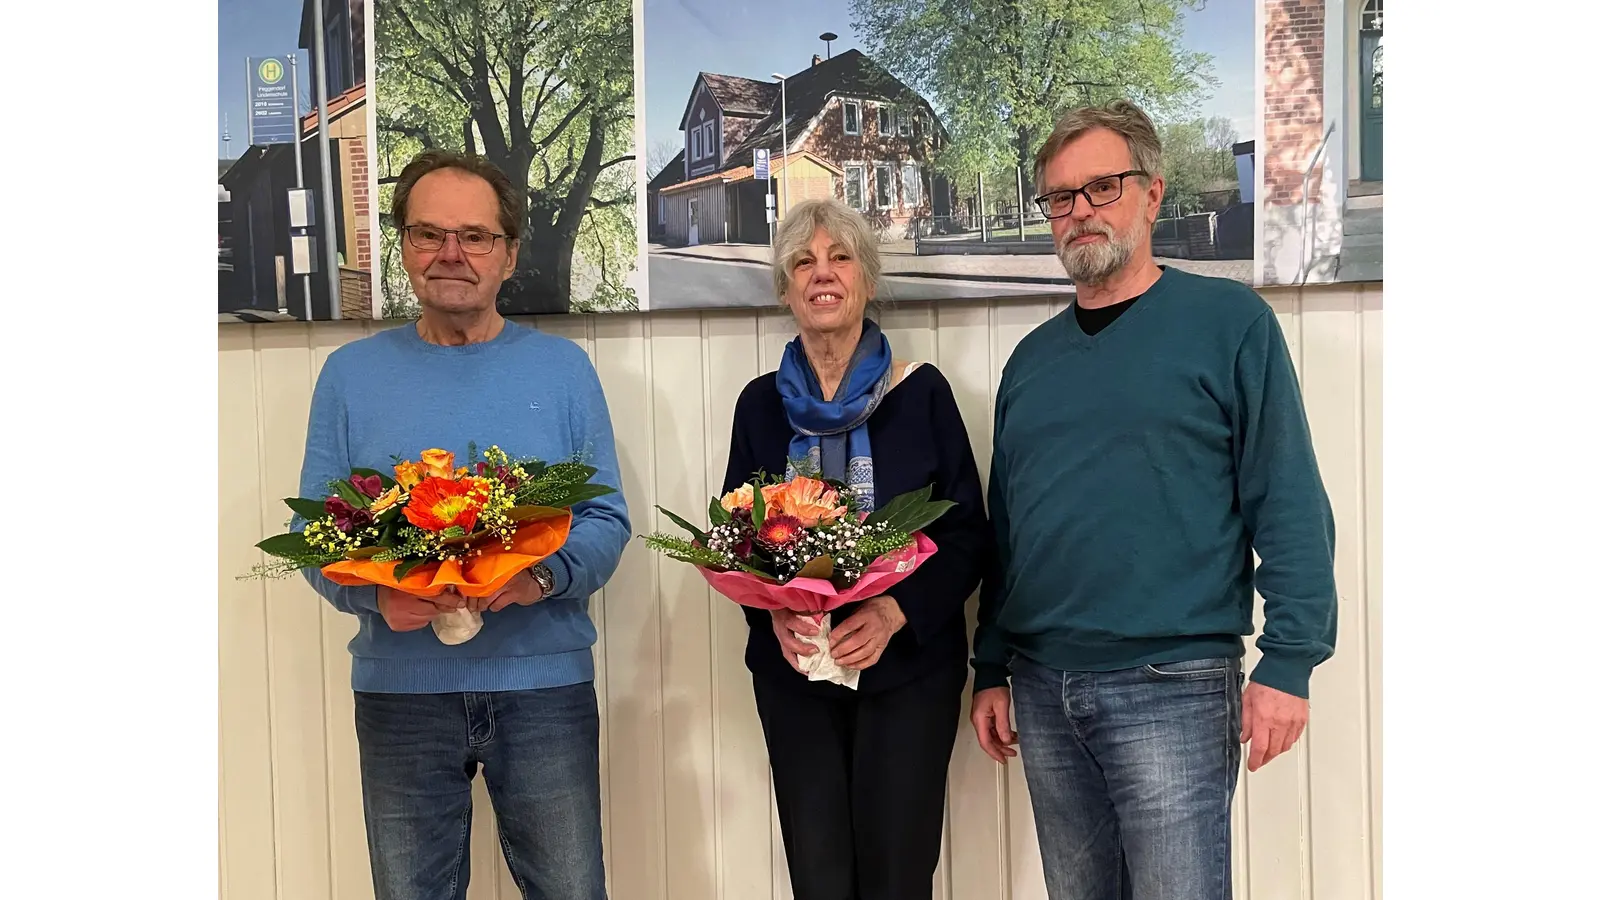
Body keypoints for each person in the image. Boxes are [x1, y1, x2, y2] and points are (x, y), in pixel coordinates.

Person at [968, 100, 1338, 900]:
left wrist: (1291, 660)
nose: (1081, 212)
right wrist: (990, 665)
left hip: (1173, 685)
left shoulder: (1228, 323)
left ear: (1153, 193)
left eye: (1102, 187)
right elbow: (1011, 536)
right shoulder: (1029, 364)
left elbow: (1290, 500)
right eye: (1061, 197)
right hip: (1042, 685)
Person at [296, 149, 630, 900]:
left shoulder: (563, 371)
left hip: (544, 687)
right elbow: (319, 535)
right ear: (404, 247)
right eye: (428, 234)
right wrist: (374, 597)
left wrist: (537, 577)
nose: (452, 254)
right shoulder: (350, 376)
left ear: (509, 254)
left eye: (475, 236)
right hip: (400, 693)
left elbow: (606, 519)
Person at [720, 198, 989, 900]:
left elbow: (966, 535)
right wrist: (774, 617)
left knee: (897, 877)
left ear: (866, 280)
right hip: (797, 677)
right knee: (820, 878)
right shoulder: (758, 406)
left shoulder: (922, 393)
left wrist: (897, 612)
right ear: (785, 290)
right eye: (803, 263)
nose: (822, 273)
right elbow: (734, 542)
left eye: (840, 257)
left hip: (907, 675)